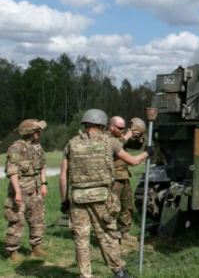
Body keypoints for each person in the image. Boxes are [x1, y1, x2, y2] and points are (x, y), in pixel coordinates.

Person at [59, 109, 154, 278]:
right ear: (103, 125)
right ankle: (118, 272)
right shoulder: (110, 142)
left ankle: (85, 275)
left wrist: (65, 200)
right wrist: (148, 153)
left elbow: (63, 176)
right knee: (107, 235)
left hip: (78, 198)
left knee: (81, 238)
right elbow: (133, 161)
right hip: (101, 197)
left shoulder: (71, 144)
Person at [4, 119, 49, 263]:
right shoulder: (16, 148)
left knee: (37, 218)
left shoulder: (37, 147)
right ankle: (13, 251)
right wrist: (17, 192)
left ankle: (36, 248)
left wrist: (44, 184)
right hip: (21, 189)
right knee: (16, 220)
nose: (39, 133)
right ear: (29, 132)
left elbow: (42, 167)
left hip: (35, 189)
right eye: (37, 130)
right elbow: (13, 171)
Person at [107, 116, 146, 249]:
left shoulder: (120, 137)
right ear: (111, 126)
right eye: (120, 128)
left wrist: (139, 137)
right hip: (112, 177)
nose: (122, 130)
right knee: (112, 207)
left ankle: (125, 233)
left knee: (127, 206)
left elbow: (135, 146)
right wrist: (126, 136)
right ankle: (109, 235)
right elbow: (112, 148)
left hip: (123, 175)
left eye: (124, 128)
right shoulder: (105, 138)